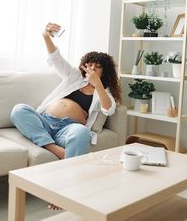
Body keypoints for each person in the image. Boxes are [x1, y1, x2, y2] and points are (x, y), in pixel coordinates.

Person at [10, 23, 121, 160]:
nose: (92, 68)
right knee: (19, 110)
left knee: (82, 132)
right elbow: (56, 59)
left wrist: (97, 84)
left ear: (104, 72)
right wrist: (46, 36)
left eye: (97, 67)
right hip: (45, 121)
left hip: (68, 129)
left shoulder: (104, 92)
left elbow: (109, 109)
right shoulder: (74, 76)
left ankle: (69, 171)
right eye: (90, 64)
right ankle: (54, 148)